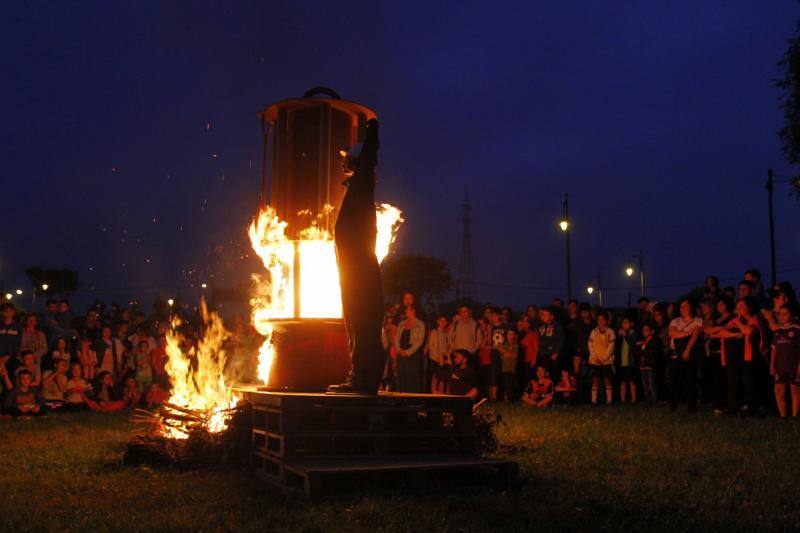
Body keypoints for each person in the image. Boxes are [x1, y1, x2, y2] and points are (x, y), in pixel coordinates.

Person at [328, 118, 386, 394]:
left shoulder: (362, 185)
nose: (344, 162)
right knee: (354, 322)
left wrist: (371, 132)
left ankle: (364, 381)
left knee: (362, 322)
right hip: (352, 273)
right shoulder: (354, 192)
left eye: (348, 158)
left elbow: (369, 158)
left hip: (361, 273)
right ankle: (359, 377)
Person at [668, 298, 704, 412]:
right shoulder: (675, 320)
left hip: (691, 353)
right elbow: (672, 333)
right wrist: (688, 332)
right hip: (675, 353)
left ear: (691, 307)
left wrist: (687, 350)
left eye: (686, 306)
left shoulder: (698, 320)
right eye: (681, 307)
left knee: (691, 379)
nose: (683, 309)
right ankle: (673, 405)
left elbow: (696, 335)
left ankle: (691, 406)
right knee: (675, 380)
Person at [770, 305, 800, 418]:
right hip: (780, 366)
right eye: (780, 314)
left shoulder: (797, 330)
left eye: (785, 313)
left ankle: (794, 416)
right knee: (778, 391)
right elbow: (774, 349)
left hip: (794, 365)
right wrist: (772, 364)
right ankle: (783, 417)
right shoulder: (777, 332)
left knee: (795, 390)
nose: (782, 316)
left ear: (791, 315)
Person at [703, 297, 731, 414]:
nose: (719, 306)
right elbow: (707, 330)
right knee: (716, 379)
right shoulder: (716, 318)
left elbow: (729, 331)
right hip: (714, 352)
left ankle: (725, 404)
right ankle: (717, 403)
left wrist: (716, 332)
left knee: (725, 379)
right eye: (718, 304)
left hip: (725, 351)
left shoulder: (732, 317)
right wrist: (718, 330)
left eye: (722, 303)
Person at [393, 306, 425, 393]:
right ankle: (401, 400)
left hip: (413, 355)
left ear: (413, 311)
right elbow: (396, 338)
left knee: (412, 378)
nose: (406, 311)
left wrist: (408, 352)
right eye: (406, 309)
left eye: (408, 310)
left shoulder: (420, 324)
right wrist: (399, 350)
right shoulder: (402, 323)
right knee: (401, 377)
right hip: (401, 353)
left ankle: (412, 401)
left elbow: (420, 341)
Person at [588, 311, 615, 405]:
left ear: (607, 321)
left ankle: (609, 401)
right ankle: (593, 401)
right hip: (595, 361)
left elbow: (611, 347)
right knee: (595, 380)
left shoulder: (610, 332)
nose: (600, 321)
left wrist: (603, 358)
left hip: (606, 362)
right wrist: (595, 357)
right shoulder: (593, 332)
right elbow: (590, 345)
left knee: (607, 380)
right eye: (599, 319)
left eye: (603, 319)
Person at [425, 314, 451, 394]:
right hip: (435, 358)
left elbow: (449, 345)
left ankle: (441, 393)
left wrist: (447, 355)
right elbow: (431, 345)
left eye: (444, 321)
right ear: (438, 322)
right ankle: (434, 393)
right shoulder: (434, 331)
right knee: (435, 377)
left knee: (443, 378)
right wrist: (437, 356)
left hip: (444, 358)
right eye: (441, 321)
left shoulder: (447, 333)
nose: (443, 323)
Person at [487, 308, 508, 401]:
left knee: (505, 374)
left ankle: (506, 397)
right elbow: (489, 343)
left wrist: (505, 351)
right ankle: (494, 397)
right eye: (492, 315)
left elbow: (508, 339)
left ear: (499, 316)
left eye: (496, 315)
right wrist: (488, 331)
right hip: (494, 353)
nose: (494, 317)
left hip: (504, 353)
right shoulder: (491, 327)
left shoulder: (505, 326)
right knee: (494, 374)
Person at [537, 307, 564, 379]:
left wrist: (556, 352)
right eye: (543, 314)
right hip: (543, 355)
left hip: (552, 355)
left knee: (553, 375)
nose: (543, 316)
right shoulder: (541, 326)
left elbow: (561, 340)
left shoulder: (557, 326)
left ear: (551, 317)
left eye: (546, 315)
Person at [616, 317, 638, 403]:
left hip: (631, 361)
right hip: (622, 361)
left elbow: (632, 345)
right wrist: (619, 336)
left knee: (631, 381)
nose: (624, 325)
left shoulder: (633, 333)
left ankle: (633, 400)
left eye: (626, 322)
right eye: (623, 323)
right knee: (623, 381)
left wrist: (625, 335)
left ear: (631, 324)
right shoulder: (621, 334)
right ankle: (622, 400)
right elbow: (618, 346)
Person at [637, 323, 660, 404]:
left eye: (646, 330)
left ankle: (654, 401)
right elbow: (638, 353)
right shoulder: (643, 342)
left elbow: (652, 354)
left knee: (651, 385)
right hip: (643, 366)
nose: (644, 332)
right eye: (643, 330)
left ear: (652, 331)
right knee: (645, 386)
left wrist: (643, 350)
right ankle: (648, 401)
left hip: (650, 366)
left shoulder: (653, 342)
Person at [498, 329, 520, 402]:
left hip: (511, 368)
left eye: (512, 334)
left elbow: (515, 355)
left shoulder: (515, 345)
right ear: (506, 336)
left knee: (511, 385)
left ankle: (513, 400)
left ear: (514, 336)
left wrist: (505, 352)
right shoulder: (504, 345)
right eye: (509, 334)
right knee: (505, 384)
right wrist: (504, 354)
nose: (510, 336)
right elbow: (502, 357)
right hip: (504, 368)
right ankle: (506, 398)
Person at [0, 303, 21, 374]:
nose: (8, 313)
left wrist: (8, 356)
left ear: (13, 312)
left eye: (10, 311)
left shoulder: (18, 327)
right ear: (2, 313)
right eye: (6, 311)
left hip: (11, 358)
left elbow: (18, 343)